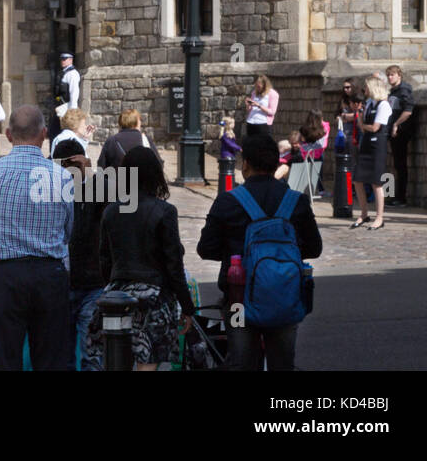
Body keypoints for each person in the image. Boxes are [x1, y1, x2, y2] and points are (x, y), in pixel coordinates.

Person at [198, 134, 322, 370]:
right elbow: (314, 248)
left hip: (237, 299)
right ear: (276, 164)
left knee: (240, 361)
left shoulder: (228, 201)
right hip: (285, 294)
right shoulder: (296, 201)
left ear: (245, 165)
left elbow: (206, 249)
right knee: (283, 364)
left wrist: (236, 253)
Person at [0, 104, 73, 370]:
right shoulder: (61, 177)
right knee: (51, 359)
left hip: (5, 275)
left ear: (8, 134)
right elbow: (68, 230)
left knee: (4, 359)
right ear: (44, 134)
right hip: (48, 273)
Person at [82, 147, 195, 371]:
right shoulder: (165, 211)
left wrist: (112, 288)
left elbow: (104, 259)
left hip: (117, 296)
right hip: (154, 296)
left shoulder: (111, 211)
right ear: (156, 174)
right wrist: (188, 307)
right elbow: (174, 266)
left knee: (116, 358)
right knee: (148, 361)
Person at [51, 137, 104, 370]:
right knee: (64, 356)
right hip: (62, 284)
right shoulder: (48, 193)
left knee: (90, 354)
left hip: (90, 284)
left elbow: (116, 203)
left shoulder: (94, 192)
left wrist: (90, 173)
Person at [352, 73, 392, 230]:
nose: (364, 90)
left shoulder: (384, 105)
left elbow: (375, 127)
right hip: (367, 144)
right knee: (358, 180)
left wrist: (363, 126)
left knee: (377, 183)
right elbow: (362, 123)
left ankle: (380, 217)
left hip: (377, 146)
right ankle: (364, 213)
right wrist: (361, 121)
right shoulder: (369, 104)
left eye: (366, 87)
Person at [386, 65, 416, 206]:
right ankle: (392, 195)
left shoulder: (404, 90)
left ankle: (400, 198)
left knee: (400, 165)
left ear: (399, 75)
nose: (390, 77)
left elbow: (408, 111)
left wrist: (396, 124)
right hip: (392, 133)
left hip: (400, 132)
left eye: (392, 75)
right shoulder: (393, 91)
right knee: (395, 165)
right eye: (388, 75)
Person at [244, 74, 278, 141]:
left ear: (265, 85)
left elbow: (272, 112)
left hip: (263, 123)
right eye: (256, 86)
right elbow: (249, 110)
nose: (257, 88)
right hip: (251, 122)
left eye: (259, 86)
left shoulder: (273, 94)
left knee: (263, 146)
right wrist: (248, 104)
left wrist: (258, 105)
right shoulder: (254, 92)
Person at [55, 52, 80, 131]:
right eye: (62, 59)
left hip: (67, 107)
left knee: (66, 129)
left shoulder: (72, 74)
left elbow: (74, 92)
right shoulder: (64, 72)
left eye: (65, 59)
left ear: (70, 60)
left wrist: (72, 110)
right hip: (60, 106)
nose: (62, 61)